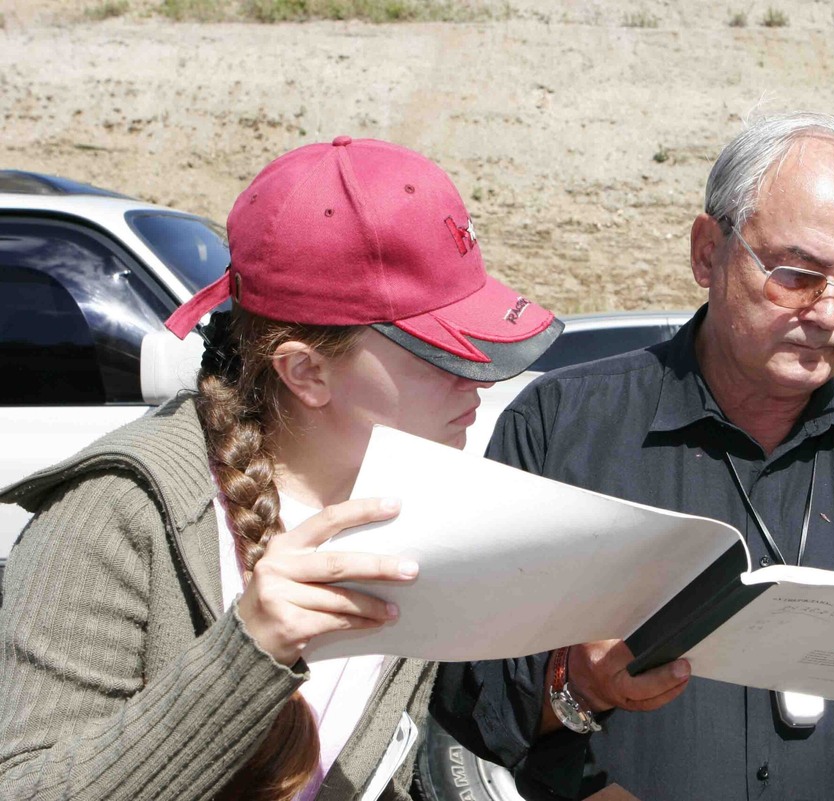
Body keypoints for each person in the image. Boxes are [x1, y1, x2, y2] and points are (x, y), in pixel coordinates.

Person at [434, 113, 834, 800]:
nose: (830, 313)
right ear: (706, 252)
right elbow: (463, 710)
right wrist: (576, 689)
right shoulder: (560, 429)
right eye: (797, 274)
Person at [0, 137, 561, 800]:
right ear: (306, 371)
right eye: (445, 356)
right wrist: (249, 651)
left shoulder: (418, 503)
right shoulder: (119, 514)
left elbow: (412, 758)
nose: (478, 383)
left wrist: (572, 695)